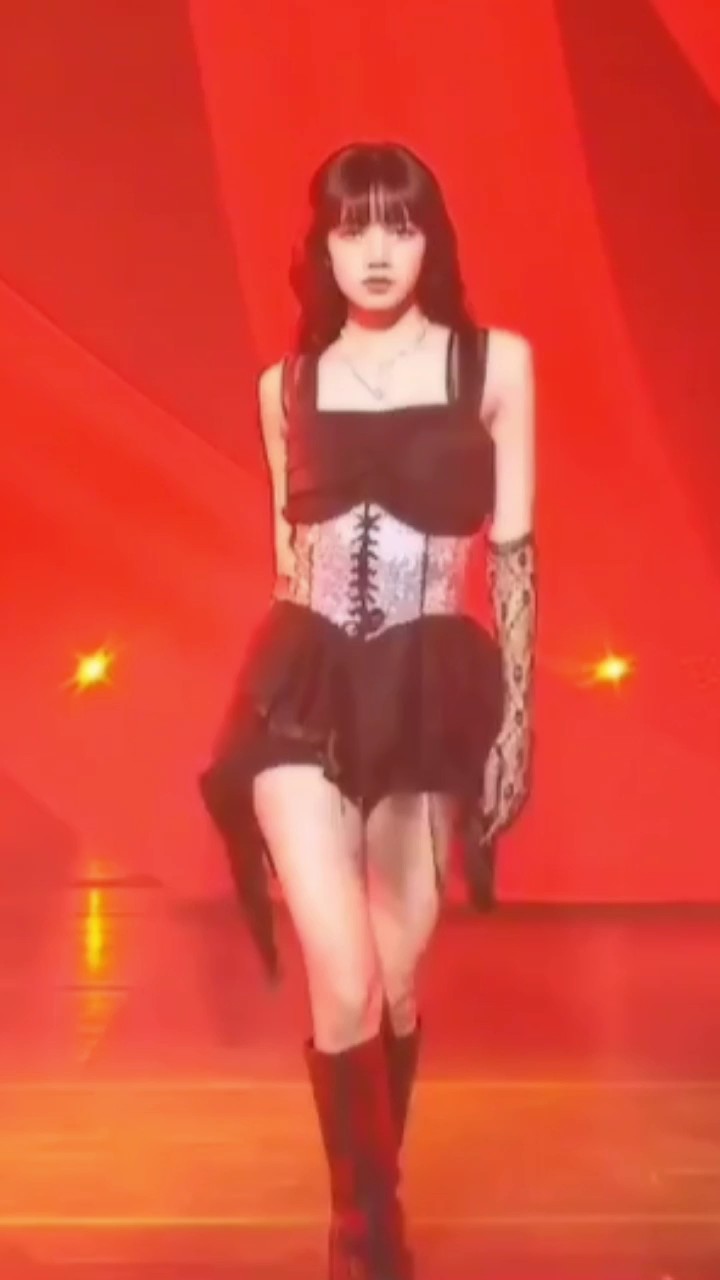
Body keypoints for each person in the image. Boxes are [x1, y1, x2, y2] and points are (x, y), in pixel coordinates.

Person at [200, 141, 537, 1280]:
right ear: (324, 247)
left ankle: (367, 1204)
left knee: (391, 976)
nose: (378, 249)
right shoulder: (283, 387)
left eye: (401, 224)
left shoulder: (494, 365)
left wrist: (518, 722)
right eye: (354, 228)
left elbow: (517, 554)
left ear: (432, 238)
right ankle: (366, 1225)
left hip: (430, 690)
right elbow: (284, 554)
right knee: (341, 973)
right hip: (299, 687)